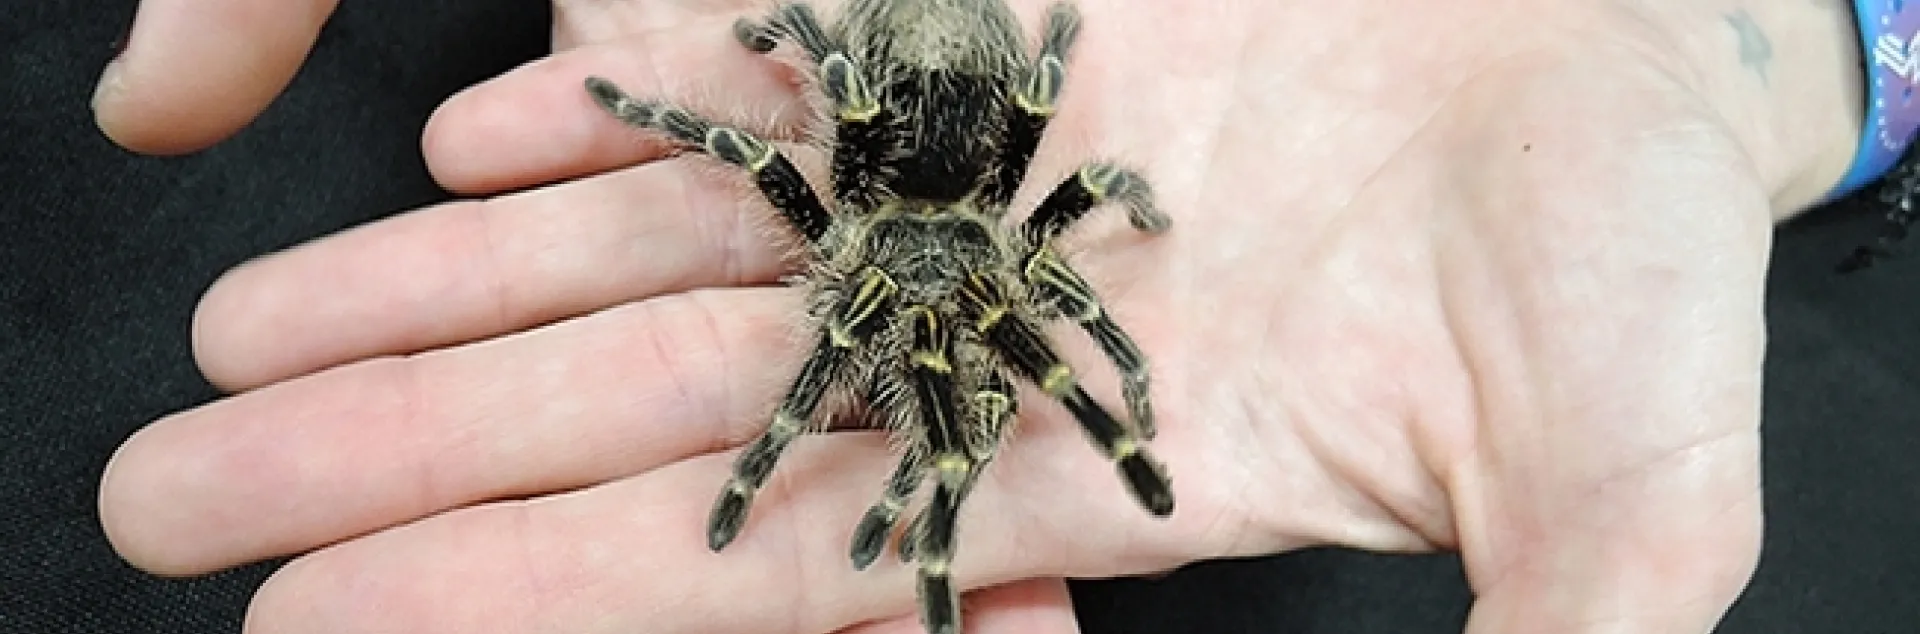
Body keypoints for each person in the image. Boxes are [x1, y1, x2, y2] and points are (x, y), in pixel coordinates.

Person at [90, 0, 1880, 632]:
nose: (954, 352)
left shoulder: (1027, 237)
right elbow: (768, 135)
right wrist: (709, 108)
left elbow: (1081, 242)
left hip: (942, 174)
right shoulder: (891, 231)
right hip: (911, 161)